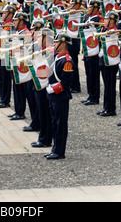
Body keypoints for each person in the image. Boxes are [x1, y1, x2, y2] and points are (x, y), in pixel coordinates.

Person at [45, 32, 74, 160]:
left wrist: (53, 89)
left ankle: (59, 151)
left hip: (60, 96)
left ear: (63, 44)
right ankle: (55, 149)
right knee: (54, 123)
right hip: (53, 96)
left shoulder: (67, 61)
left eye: (56, 42)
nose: (54, 44)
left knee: (60, 124)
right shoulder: (57, 57)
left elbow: (67, 82)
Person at [97, 11, 121, 117]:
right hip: (104, 60)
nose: (104, 21)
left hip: (111, 62)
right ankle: (106, 107)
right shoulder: (106, 30)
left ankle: (111, 109)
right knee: (106, 85)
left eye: (107, 19)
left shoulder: (115, 32)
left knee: (110, 86)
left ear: (112, 20)